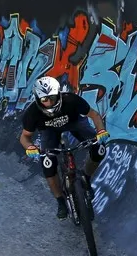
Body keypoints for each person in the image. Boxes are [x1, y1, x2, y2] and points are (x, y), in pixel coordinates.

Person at [19, 76, 111, 219]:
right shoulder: (32, 112)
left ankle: (86, 178)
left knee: (99, 148)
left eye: (53, 98)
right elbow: (24, 137)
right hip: (49, 131)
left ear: (59, 95)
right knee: (47, 164)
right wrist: (30, 147)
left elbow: (95, 115)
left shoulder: (71, 100)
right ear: (37, 99)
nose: (49, 103)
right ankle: (60, 201)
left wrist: (100, 130)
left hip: (75, 123)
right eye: (44, 100)